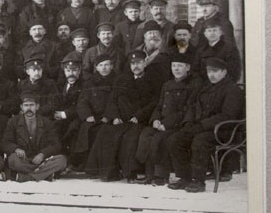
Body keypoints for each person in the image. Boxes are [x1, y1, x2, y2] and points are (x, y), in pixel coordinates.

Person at [167, 57, 244, 192]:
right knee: (176, 139)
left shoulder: (232, 90)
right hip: (204, 128)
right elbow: (193, 106)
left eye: (216, 71)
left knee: (199, 141)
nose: (212, 75)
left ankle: (198, 181)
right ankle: (185, 177)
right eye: (209, 71)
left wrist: (202, 125)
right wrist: (189, 122)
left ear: (224, 72)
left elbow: (228, 116)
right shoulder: (206, 88)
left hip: (225, 130)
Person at [84, 50, 162, 181]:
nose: (135, 67)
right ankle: (108, 172)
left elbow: (154, 103)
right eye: (133, 64)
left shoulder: (153, 80)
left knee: (130, 137)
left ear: (145, 63)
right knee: (105, 132)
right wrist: (115, 116)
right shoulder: (122, 79)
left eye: (139, 63)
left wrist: (139, 116)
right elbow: (113, 100)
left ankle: (130, 172)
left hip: (140, 120)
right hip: (121, 118)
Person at [135, 53, 199, 186]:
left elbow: (187, 110)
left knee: (161, 139)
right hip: (161, 123)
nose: (176, 69)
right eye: (174, 66)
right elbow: (159, 106)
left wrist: (167, 124)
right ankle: (149, 173)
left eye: (180, 66)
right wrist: (155, 119)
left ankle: (160, 175)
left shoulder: (192, 85)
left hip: (177, 124)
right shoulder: (167, 85)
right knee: (146, 135)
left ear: (187, 68)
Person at [2, 90, 67, 182]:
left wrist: (42, 154)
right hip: (22, 160)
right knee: (13, 159)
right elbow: (6, 143)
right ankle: (43, 174)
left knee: (62, 160)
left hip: (41, 160)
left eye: (32, 105)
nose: (29, 108)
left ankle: (26, 177)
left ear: (37, 106)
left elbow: (55, 144)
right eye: (26, 105)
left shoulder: (47, 122)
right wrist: (16, 149)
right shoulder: (13, 122)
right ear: (21, 107)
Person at [71, 55, 116, 167]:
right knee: (79, 128)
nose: (104, 68)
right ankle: (81, 161)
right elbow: (82, 101)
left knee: (101, 132)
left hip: (109, 117)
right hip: (92, 115)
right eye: (101, 65)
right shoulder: (90, 82)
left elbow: (116, 102)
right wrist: (87, 115)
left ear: (112, 66)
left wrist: (108, 116)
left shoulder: (117, 80)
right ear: (96, 67)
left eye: (106, 65)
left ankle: (96, 164)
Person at [195, 18, 242, 82]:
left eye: (215, 30)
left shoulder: (229, 49)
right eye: (209, 31)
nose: (212, 33)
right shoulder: (201, 51)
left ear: (221, 32)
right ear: (205, 34)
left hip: (223, 87)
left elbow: (234, 72)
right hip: (205, 87)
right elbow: (196, 71)